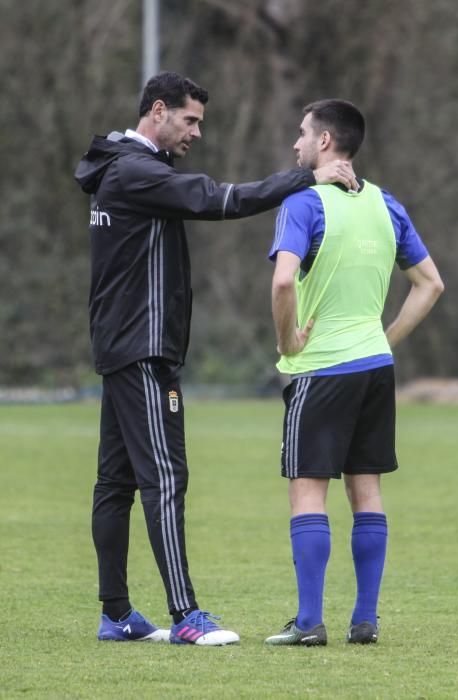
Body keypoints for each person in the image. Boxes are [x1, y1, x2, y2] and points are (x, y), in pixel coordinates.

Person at [74, 72, 358, 646]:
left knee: (115, 482)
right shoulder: (135, 171)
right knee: (166, 479)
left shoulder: (122, 167)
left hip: (122, 346)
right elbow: (219, 198)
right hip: (144, 349)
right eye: (190, 120)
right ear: (158, 111)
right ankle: (185, 616)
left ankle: (116, 614)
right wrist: (306, 176)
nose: (197, 132)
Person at [265, 99, 444, 647]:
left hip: (320, 369)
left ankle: (308, 623)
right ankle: (365, 620)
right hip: (374, 368)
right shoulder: (387, 205)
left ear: (324, 142)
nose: (296, 143)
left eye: (301, 134)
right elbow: (430, 284)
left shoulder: (303, 202)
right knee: (366, 491)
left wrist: (287, 340)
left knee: (307, 494)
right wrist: (382, 341)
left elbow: (282, 283)